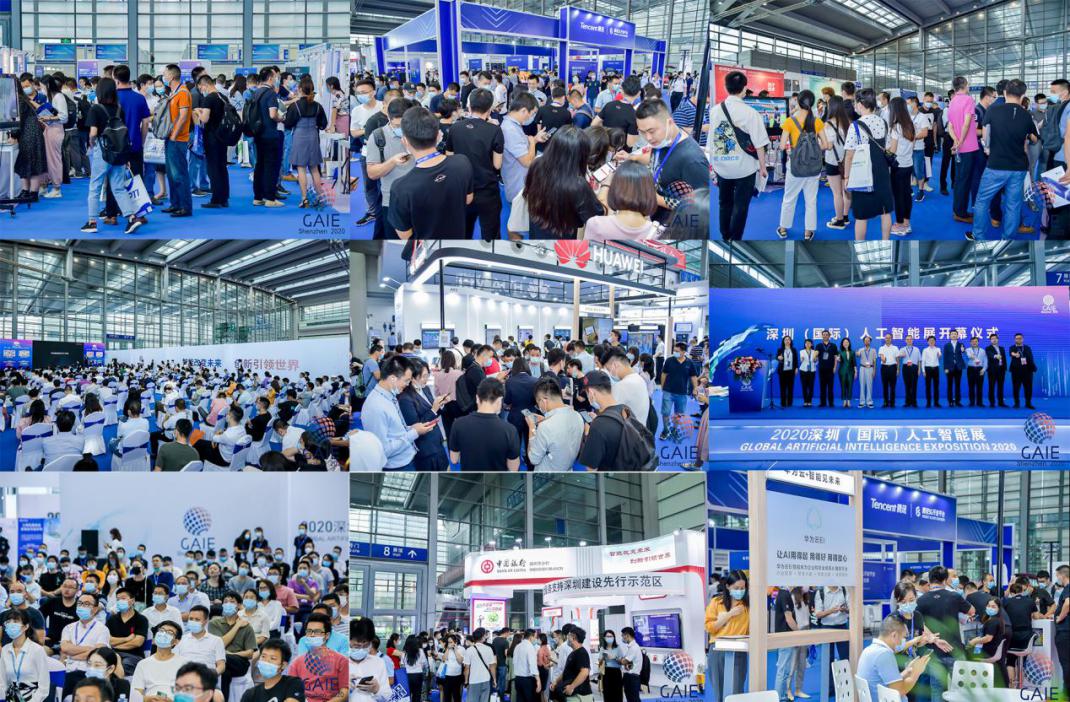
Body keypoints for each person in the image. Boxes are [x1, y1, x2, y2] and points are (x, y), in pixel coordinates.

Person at [968, 79, 1039, 240]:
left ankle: (978, 235)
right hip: (1018, 167)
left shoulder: (992, 110)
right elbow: (1034, 139)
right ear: (1023, 95)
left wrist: (988, 148)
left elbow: (985, 137)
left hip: (996, 165)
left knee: (982, 201)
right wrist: (1027, 134)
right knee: (1013, 205)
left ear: (1005, 93)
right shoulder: (1026, 115)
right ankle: (1008, 238)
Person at [390, 106, 474, 239]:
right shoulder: (462, 162)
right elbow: (468, 199)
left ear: (405, 141)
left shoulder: (400, 188)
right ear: (438, 135)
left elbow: (405, 235)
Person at [709, 70, 770, 240]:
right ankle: (735, 238)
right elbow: (760, 144)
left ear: (726, 87)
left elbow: (712, 139)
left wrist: (712, 165)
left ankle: (725, 235)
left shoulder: (715, 111)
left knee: (724, 203)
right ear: (744, 88)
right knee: (741, 206)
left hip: (722, 167)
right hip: (744, 168)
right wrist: (763, 167)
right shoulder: (751, 113)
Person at [80, 77, 144, 235]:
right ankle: (131, 217)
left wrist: (92, 143)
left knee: (95, 186)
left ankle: (92, 222)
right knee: (119, 188)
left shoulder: (95, 109)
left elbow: (93, 133)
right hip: (120, 152)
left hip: (103, 151)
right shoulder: (119, 109)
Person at [634, 99, 710, 226]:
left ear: (669, 123)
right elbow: (661, 161)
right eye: (642, 132)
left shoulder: (692, 160)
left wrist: (657, 199)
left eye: (651, 131)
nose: (648, 138)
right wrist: (632, 158)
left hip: (677, 225)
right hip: (657, 218)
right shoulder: (661, 141)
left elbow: (701, 207)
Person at [525, 125, 605, 239]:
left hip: (537, 228)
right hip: (562, 239)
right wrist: (606, 187)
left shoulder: (537, 164)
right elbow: (596, 218)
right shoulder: (577, 185)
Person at [445, 88, 504, 240]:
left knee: (463, 233)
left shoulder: (455, 127)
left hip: (462, 190)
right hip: (487, 191)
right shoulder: (495, 130)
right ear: (490, 108)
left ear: (469, 107)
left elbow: (449, 158)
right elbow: (497, 165)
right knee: (491, 235)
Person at [361, 355, 436, 470]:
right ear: (393, 378)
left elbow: (393, 431)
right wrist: (414, 433)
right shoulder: (375, 406)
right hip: (397, 466)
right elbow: (383, 450)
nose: (408, 384)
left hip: (406, 459)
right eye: (406, 380)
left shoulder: (389, 396)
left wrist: (410, 428)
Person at [915, 566, 974, 702]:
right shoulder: (954, 596)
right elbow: (972, 611)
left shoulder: (921, 600)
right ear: (946, 579)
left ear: (929, 580)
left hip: (933, 651)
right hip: (955, 649)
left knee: (937, 689)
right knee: (960, 689)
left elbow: (918, 623)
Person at [777, 90, 828, 241]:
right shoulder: (817, 121)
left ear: (798, 102)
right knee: (811, 200)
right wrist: (813, 149)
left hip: (795, 166)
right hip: (813, 167)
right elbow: (825, 145)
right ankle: (808, 232)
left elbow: (781, 146)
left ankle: (783, 229)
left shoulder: (789, 121)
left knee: (789, 198)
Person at [843, 89, 894, 240]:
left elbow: (849, 155)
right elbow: (888, 147)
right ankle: (886, 242)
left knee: (861, 216)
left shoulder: (855, 126)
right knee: (885, 212)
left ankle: (860, 245)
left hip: (862, 174)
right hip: (882, 172)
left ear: (860, 104)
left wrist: (846, 177)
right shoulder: (883, 122)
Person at [448, 378, 520, 471]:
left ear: (477, 398)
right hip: (497, 479)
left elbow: (454, 459)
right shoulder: (510, 430)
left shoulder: (458, 424)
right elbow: (513, 468)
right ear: (500, 399)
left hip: (469, 478)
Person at [857, 615, 932, 702]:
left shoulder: (869, 650)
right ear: (894, 635)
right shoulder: (884, 654)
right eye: (904, 637)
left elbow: (889, 682)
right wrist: (916, 672)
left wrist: (907, 671)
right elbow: (899, 691)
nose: (904, 641)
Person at [582, 161, 660, 241]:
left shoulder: (596, 224)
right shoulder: (655, 233)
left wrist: (606, 185)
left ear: (615, 189)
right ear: (649, 192)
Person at [705, 572, 748, 702]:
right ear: (728, 586)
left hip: (738, 651)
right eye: (736, 588)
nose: (740, 591)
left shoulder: (748, 606)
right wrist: (729, 615)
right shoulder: (716, 602)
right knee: (719, 690)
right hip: (717, 651)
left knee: (736, 691)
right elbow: (709, 627)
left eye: (742, 588)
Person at [525, 377, 583, 472]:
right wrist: (546, 420)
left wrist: (532, 427)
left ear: (544, 401)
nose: (539, 407)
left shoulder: (545, 427)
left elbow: (533, 459)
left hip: (546, 475)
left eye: (538, 403)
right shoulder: (578, 416)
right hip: (568, 471)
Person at [289, 613, 347, 702]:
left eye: (317, 632)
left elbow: (344, 691)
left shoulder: (341, 661)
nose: (312, 635)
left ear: (327, 635)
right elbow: (291, 692)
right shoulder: (296, 663)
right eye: (309, 631)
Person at [160, 64, 194, 219]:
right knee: (171, 174)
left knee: (179, 173)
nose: (164, 76)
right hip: (170, 138)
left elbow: (184, 116)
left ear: (172, 76)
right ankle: (175, 203)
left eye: (165, 74)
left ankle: (185, 207)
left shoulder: (183, 92)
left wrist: (174, 135)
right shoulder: (173, 93)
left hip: (178, 139)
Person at [947, 77, 979, 224]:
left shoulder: (953, 101)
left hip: (959, 147)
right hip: (968, 147)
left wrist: (956, 140)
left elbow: (950, 126)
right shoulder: (968, 99)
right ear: (965, 85)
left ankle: (959, 210)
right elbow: (966, 123)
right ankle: (960, 213)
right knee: (964, 181)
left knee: (960, 180)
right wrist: (961, 141)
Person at [0, 609, 51, 702]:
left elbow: (44, 688)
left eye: (15, 621)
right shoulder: (5, 650)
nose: (11, 624)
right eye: (8, 622)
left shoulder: (37, 650)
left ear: (26, 626)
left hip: (33, 698)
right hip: (10, 698)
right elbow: (2, 683)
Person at [886, 97, 917, 235]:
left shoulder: (895, 127)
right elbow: (912, 145)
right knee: (906, 194)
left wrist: (884, 150)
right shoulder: (910, 125)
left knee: (898, 196)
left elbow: (892, 150)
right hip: (908, 164)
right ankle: (906, 223)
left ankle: (899, 225)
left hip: (897, 167)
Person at [659, 343, 698, 441]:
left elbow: (693, 376)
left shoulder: (689, 363)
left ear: (684, 352)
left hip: (682, 393)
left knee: (678, 414)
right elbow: (664, 374)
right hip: (668, 391)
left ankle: (675, 430)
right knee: (666, 412)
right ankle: (665, 430)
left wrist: (695, 388)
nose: (674, 353)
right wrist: (662, 386)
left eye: (677, 351)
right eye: (674, 351)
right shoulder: (669, 360)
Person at [463, 628, 496, 702]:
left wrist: (466, 681)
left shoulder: (469, 650)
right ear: (483, 636)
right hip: (486, 680)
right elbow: (492, 666)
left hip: (474, 680)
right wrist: (494, 679)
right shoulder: (489, 649)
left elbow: (466, 668)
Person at [1053, 565, 1069, 702]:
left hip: (1065, 631)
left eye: (1057, 575)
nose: (1057, 578)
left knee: (1066, 663)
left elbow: (1068, 603)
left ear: (1063, 575)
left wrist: (1059, 618)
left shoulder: (1068, 588)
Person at [1008, 333, 1037, 409]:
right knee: (1016, 388)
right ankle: (1016, 403)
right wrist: (1015, 354)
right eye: (1017, 338)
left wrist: (1033, 367)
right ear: (1014, 339)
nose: (1018, 340)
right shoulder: (1012, 347)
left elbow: (1031, 358)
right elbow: (1011, 353)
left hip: (1027, 371)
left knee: (1028, 388)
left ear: (1022, 339)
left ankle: (1028, 403)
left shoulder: (1027, 348)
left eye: (1020, 338)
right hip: (1016, 371)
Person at [513, 629, 541, 702]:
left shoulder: (517, 646)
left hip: (517, 678)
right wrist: (538, 680)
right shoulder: (530, 647)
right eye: (535, 637)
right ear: (531, 637)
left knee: (520, 699)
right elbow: (532, 665)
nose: (535, 639)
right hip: (527, 680)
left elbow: (514, 662)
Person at [942, 331, 966, 408]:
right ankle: (950, 401)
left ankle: (958, 401)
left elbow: (963, 352)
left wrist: (963, 350)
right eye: (952, 334)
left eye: (955, 334)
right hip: (949, 367)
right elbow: (945, 357)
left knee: (958, 385)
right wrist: (945, 368)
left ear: (957, 336)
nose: (954, 335)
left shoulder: (961, 344)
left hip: (958, 367)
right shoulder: (947, 345)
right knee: (949, 385)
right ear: (949, 336)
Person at [813, 330, 837, 409]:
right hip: (822, 369)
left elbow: (835, 358)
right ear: (822, 336)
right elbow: (816, 354)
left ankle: (831, 403)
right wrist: (814, 357)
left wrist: (835, 367)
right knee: (822, 387)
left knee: (830, 387)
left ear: (829, 336)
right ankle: (822, 403)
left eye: (827, 334)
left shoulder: (833, 345)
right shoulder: (819, 345)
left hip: (830, 369)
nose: (825, 336)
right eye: (824, 334)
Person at [962, 337, 988, 407]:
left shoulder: (983, 350)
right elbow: (966, 356)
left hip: (980, 369)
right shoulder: (967, 350)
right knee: (971, 387)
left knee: (980, 387)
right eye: (972, 341)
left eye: (976, 341)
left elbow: (985, 361)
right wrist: (969, 355)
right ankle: (972, 402)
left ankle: (980, 402)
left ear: (978, 342)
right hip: (971, 369)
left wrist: (984, 369)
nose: (974, 343)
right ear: (970, 343)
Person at [985, 334, 1008, 408]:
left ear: (998, 339)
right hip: (992, 371)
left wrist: (1005, 368)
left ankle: (1001, 402)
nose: (994, 340)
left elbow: (1004, 359)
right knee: (991, 387)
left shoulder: (1002, 348)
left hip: (1001, 370)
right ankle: (992, 403)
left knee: (1000, 387)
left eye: (995, 338)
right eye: (992, 339)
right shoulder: (988, 348)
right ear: (990, 340)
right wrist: (995, 356)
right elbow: (989, 354)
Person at [775, 336, 798, 408]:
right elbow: (776, 357)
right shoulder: (780, 349)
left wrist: (796, 368)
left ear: (790, 341)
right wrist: (778, 357)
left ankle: (789, 403)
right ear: (783, 341)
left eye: (789, 340)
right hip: (782, 371)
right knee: (783, 387)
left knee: (790, 387)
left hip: (791, 371)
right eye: (786, 340)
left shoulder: (794, 350)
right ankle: (783, 403)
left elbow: (796, 359)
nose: (787, 341)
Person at [921, 336, 943, 408]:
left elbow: (939, 356)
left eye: (933, 340)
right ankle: (928, 403)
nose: (931, 341)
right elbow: (923, 361)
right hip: (928, 369)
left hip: (936, 369)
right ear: (928, 342)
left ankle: (936, 402)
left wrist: (939, 355)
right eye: (930, 340)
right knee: (928, 387)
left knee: (936, 387)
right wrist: (923, 371)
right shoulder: (925, 350)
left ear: (935, 341)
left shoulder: (938, 349)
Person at [837, 337, 856, 408]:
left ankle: (849, 401)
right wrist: (838, 359)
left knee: (850, 386)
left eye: (847, 342)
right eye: (844, 342)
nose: (846, 343)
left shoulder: (852, 352)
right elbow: (839, 360)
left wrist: (856, 371)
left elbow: (854, 363)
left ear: (849, 343)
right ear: (842, 344)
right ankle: (844, 401)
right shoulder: (839, 352)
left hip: (851, 371)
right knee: (843, 386)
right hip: (842, 371)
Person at [798, 339, 817, 407]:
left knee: (811, 386)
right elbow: (801, 360)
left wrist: (815, 360)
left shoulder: (814, 352)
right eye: (806, 343)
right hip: (803, 370)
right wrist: (802, 359)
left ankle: (810, 401)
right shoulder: (801, 351)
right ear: (805, 344)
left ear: (811, 344)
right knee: (804, 386)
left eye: (809, 343)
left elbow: (816, 361)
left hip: (812, 370)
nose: (808, 344)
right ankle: (805, 401)